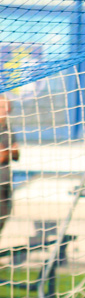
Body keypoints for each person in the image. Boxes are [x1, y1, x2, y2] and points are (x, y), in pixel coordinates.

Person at [0, 95, 20, 239]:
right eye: (1, 106)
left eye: (6, 106)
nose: (5, 109)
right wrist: (9, 151)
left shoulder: (8, 128)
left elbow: (16, 155)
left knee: (5, 212)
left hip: (6, 179)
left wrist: (9, 151)